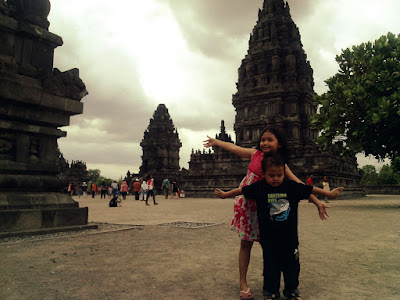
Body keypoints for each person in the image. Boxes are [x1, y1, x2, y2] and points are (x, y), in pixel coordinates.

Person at [204, 127, 330, 300]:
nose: (265, 143)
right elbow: (235, 148)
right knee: (246, 244)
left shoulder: (281, 166)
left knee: (271, 247)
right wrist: (216, 142)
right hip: (249, 203)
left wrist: (317, 202)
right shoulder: (254, 154)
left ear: (279, 144)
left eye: (270, 140)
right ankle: (243, 283)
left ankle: (273, 286)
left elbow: (299, 185)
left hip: (269, 207)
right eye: (263, 139)